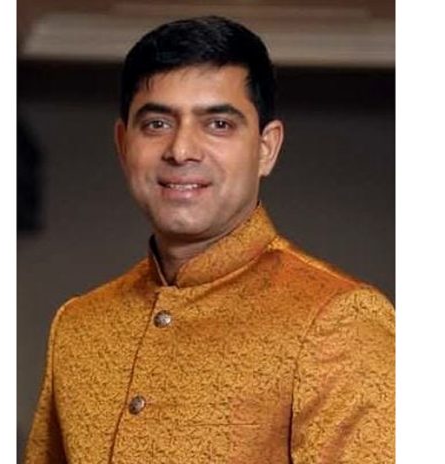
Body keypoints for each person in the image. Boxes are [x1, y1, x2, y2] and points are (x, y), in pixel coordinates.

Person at [24, 16, 394, 464]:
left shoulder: (340, 322)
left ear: (266, 148)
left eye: (218, 124)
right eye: (156, 123)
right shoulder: (79, 326)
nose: (181, 150)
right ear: (123, 144)